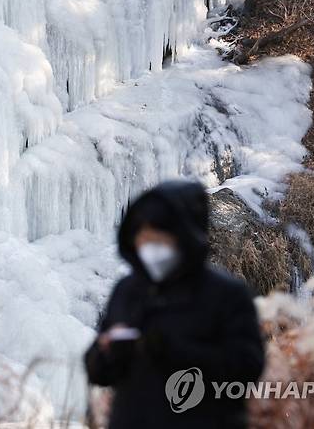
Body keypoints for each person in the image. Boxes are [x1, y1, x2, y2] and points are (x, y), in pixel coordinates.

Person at [84, 181, 264, 428]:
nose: (149, 247)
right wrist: (105, 356)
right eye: (143, 237)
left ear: (185, 236)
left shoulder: (225, 295)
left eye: (159, 238)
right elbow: (99, 373)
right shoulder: (128, 290)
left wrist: (174, 351)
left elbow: (247, 370)